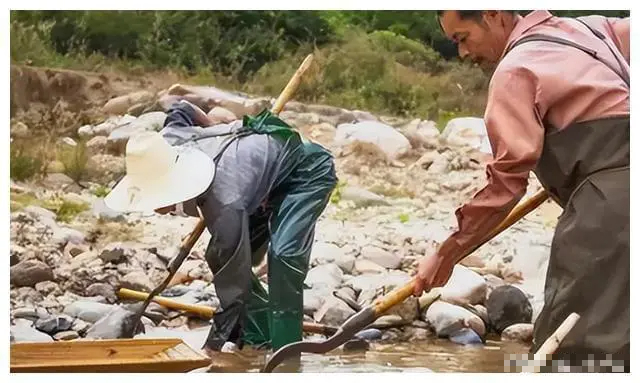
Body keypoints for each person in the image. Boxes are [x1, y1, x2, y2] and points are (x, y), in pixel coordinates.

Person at [414, 10, 629, 372]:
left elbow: (504, 182)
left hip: (611, 217)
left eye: (462, 38)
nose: (464, 54)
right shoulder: (595, 28)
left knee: (575, 354)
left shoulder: (515, 70)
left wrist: (447, 253)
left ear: (493, 14)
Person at [104, 100, 338, 356]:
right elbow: (181, 108)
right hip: (258, 183)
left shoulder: (224, 202)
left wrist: (211, 349)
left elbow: (233, 289)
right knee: (219, 254)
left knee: (282, 257)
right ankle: (259, 338)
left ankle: (286, 353)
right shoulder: (168, 140)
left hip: (305, 171)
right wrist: (211, 125)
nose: (154, 207)